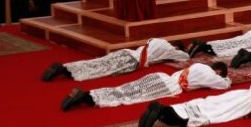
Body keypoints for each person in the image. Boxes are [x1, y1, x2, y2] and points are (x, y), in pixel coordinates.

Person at [61, 61, 230, 111]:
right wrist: (224, 78)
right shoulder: (211, 75)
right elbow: (224, 85)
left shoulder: (198, 65)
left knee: (125, 88)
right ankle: (85, 98)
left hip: (160, 76)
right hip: (168, 87)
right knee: (128, 96)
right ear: (218, 71)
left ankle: (87, 94)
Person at [42, 38, 190, 82]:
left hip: (126, 53)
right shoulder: (171, 50)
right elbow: (185, 57)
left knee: (97, 63)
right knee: (100, 70)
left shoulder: (156, 40)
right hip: (131, 62)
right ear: (176, 47)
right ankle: (64, 71)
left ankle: (64, 67)